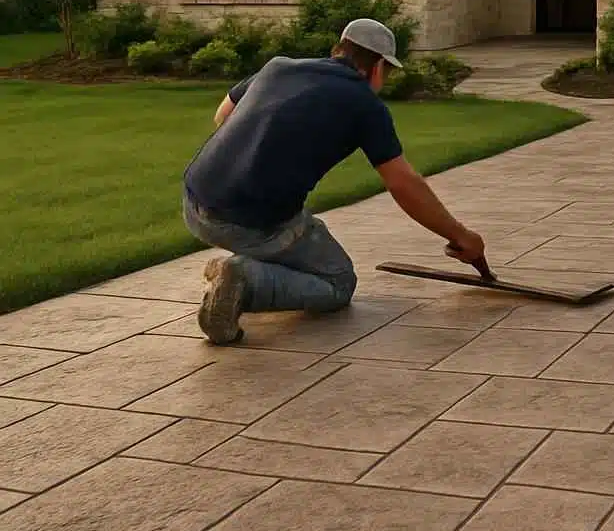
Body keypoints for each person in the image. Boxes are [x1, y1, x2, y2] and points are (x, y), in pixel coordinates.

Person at [182, 18, 486, 345]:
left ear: (338, 49)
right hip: (254, 224)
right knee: (337, 281)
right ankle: (244, 280)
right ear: (378, 67)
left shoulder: (279, 67)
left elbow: (224, 115)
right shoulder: (363, 104)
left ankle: (241, 273)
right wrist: (461, 236)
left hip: (194, 202)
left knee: (300, 234)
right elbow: (404, 184)